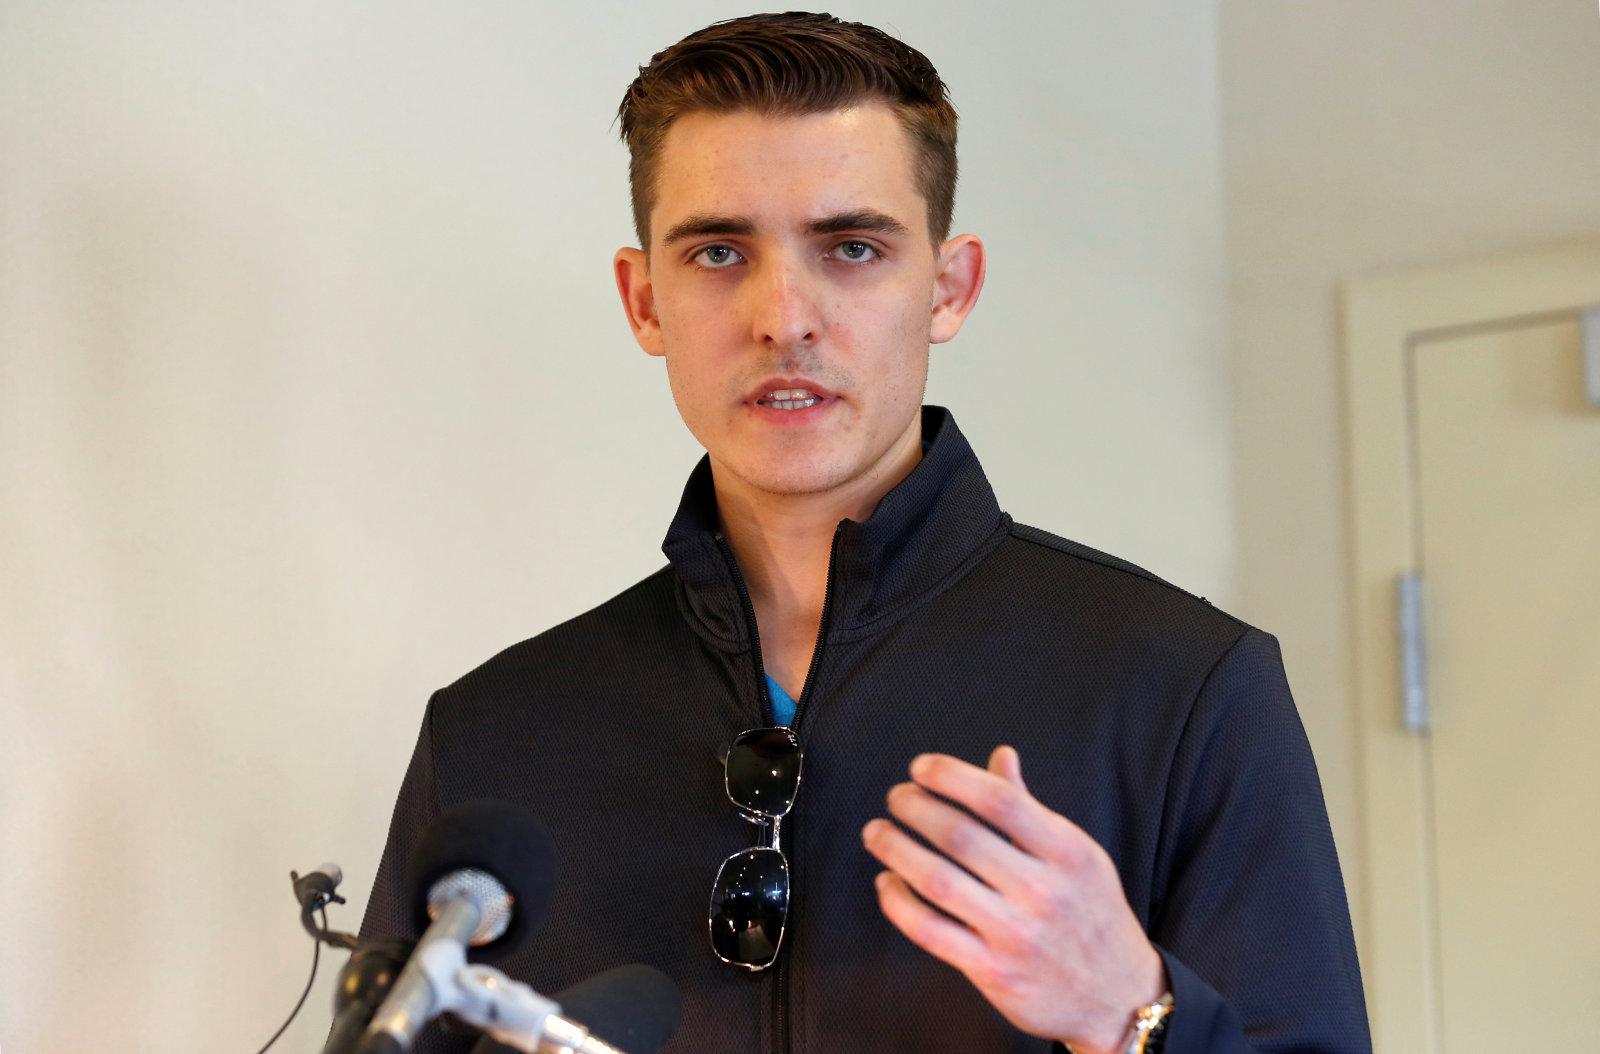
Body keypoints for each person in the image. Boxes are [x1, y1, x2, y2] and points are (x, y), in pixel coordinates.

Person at [359, 13, 1370, 1054]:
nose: (782, 316)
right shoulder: (493, 734)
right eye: (717, 250)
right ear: (643, 298)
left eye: (850, 247)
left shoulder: (1181, 690)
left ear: (948, 287)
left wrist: (1132, 1015)